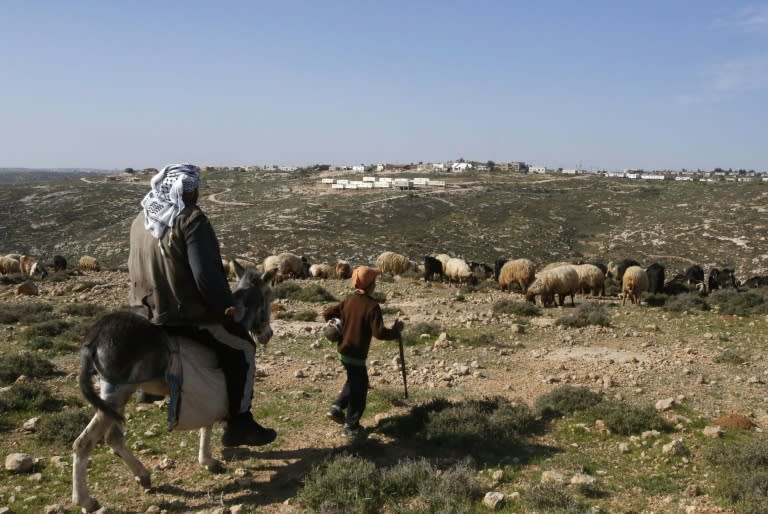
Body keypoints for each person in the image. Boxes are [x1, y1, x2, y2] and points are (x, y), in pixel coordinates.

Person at [127, 163, 276, 447]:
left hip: (143, 311)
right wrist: (226, 307)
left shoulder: (142, 218)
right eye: (195, 187)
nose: (198, 192)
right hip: (182, 316)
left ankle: (148, 390)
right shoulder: (191, 219)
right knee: (243, 348)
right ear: (187, 189)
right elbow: (206, 276)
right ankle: (240, 422)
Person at [322, 265, 404, 437]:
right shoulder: (372, 306)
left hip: (343, 351)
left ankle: (337, 408)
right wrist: (395, 332)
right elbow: (379, 333)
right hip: (357, 354)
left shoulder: (349, 300)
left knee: (353, 380)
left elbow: (328, 312)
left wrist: (336, 324)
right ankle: (351, 426)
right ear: (371, 284)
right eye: (374, 280)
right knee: (360, 389)